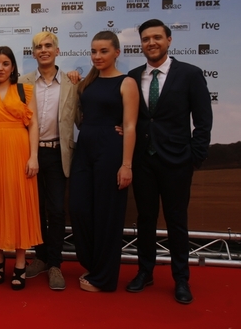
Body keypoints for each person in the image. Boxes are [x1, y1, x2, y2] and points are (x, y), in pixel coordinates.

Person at [125, 19, 212, 304]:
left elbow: (203, 122)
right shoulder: (133, 76)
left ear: (169, 40)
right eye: (146, 39)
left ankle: (181, 279)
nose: (151, 43)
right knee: (145, 219)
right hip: (143, 162)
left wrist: (193, 159)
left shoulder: (190, 74)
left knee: (177, 222)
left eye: (157, 37)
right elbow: (129, 119)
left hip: (177, 163)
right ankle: (144, 272)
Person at [68, 31, 139, 293]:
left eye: (104, 51)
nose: (97, 56)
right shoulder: (89, 80)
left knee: (108, 215)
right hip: (84, 149)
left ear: (117, 53)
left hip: (111, 150)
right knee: (78, 208)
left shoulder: (127, 82)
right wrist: (73, 77)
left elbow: (130, 126)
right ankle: (93, 263)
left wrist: (127, 164)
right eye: (94, 51)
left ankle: (104, 278)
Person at [0, 46, 41, 291]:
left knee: (18, 205)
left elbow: (33, 125)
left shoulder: (25, 90)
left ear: (13, 67)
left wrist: (34, 156)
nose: (0, 68)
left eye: (5, 63)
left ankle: (21, 263)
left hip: (19, 151)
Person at [19, 32, 78, 290]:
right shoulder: (22, 82)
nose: (43, 50)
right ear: (33, 53)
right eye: (38, 47)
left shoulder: (71, 83)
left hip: (57, 154)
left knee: (55, 211)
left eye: (48, 46)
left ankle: (55, 263)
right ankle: (40, 257)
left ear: (57, 50)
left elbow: (83, 118)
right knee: (35, 210)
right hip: (28, 154)